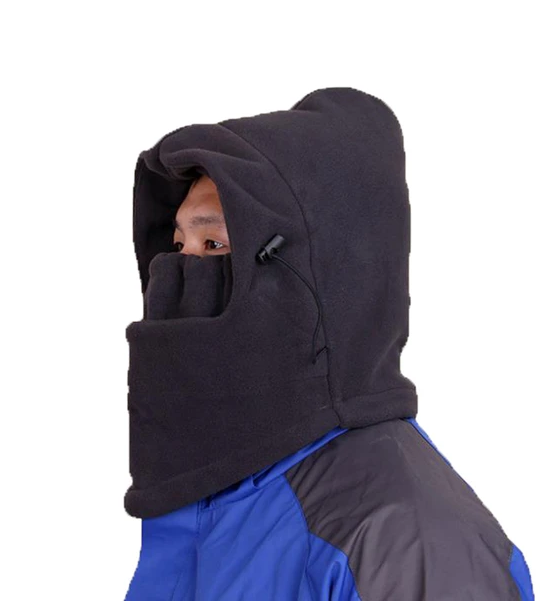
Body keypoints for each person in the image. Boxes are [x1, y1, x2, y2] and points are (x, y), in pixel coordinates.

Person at [123, 87, 534, 600]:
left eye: (214, 244)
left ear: (317, 272)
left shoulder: (407, 539)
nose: (180, 272)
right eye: (178, 245)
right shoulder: (213, 487)